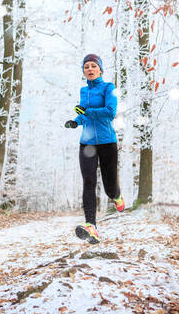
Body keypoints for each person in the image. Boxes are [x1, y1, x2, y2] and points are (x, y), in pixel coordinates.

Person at [65, 53, 125, 244]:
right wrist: (76, 122)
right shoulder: (84, 91)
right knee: (88, 181)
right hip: (87, 143)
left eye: (93, 66)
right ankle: (92, 226)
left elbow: (110, 112)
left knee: (109, 185)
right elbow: (83, 114)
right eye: (86, 67)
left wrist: (87, 112)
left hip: (107, 142)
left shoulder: (109, 88)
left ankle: (116, 195)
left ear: (100, 69)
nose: (89, 69)